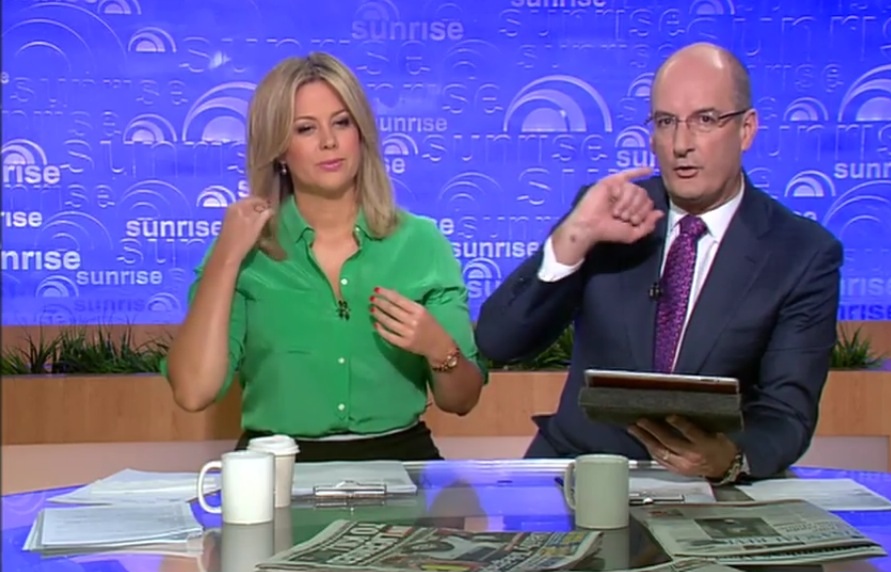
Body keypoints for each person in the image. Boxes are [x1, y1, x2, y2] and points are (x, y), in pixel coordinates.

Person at [474, 42, 843, 483]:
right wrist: (574, 237)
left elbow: (786, 413)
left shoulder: (801, 253)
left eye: (705, 120)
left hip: (706, 489)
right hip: (580, 470)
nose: (681, 144)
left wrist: (728, 458)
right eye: (666, 122)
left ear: (746, 130)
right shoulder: (610, 214)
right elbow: (498, 342)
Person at [162, 52, 487, 462]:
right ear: (279, 149)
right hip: (276, 466)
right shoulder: (245, 252)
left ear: (361, 133)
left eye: (341, 122)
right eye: (305, 128)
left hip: (400, 462)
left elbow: (462, 401)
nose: (329, 142)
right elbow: (193, 392)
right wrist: (226, 258)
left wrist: (440, 350)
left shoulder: (420, 243)